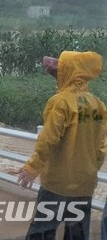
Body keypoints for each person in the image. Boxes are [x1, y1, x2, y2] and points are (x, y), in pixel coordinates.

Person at [18, 51, 107, 240]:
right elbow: (101, 148)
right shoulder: (98, 105)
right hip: (84, 185)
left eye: (62, 67)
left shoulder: (60, 102)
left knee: (42, 231)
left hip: (57, 184)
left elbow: (48, 139)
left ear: (69, 71)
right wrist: (90, 170)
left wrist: (32, 168)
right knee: (77, 234)